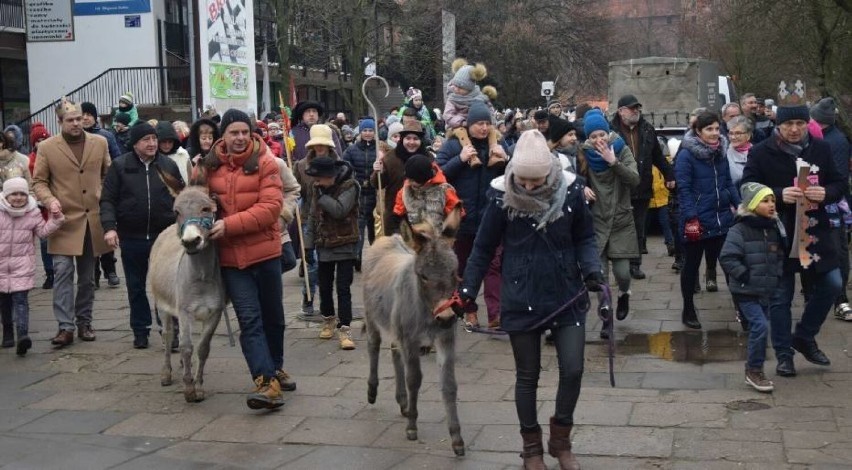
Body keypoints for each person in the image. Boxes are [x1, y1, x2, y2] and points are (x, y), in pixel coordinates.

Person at [458, 130, 602, 470]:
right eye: (522, 180)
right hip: (521, 295)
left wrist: (592, 270)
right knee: (528, 375)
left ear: (550, 174)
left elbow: (585, 238)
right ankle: (532, 448)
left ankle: (561, 440)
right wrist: (467, 292)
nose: (529, 187)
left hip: (567, 292)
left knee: (574, 368)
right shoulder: (500, 198)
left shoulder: (572, 193)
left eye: (536, 181)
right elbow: (482, 248)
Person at [742, 105, 846, 377]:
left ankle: (804, 335)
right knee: (780, 298)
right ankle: (783, 356)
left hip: (814, 231)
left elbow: (839, 183)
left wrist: (827, 192)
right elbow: (747, 187)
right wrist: (775, 194)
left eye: (800, 123)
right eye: (789, 124)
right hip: (778, 233)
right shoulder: (761, 151)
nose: (794, 129)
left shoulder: (820, 149)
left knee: (833, 284)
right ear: (779, 124)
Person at [201, 109, 293, 409]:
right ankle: (266, 382)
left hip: (266, 253)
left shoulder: (266, 163)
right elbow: (196, 198)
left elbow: (270, 208)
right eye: (233, 132)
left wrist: (228, 224)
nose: (239, 138)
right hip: (230, 259)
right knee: (249, 320)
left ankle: (275, 366)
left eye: (244, 132)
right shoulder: (208, 166)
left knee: (273, 318)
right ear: (223, 136)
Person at [32, 98, 112, 346]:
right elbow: (38, 182)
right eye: (71, 120)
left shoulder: (100, 143)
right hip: (63, 221)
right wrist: (49, 200)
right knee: (63, 273)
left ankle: (84, 322)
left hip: (91, 221)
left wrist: (105, 199)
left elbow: (108, 175)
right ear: (60, 122)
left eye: (80, 118)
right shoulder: (47, 147)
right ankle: (65, 326)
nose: (77, 123)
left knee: (88, 278)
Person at [99, 122, 185, 349]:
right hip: (132, 236)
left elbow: (181, 196)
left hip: (163, 236)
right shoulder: (120, 166)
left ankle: (169, 329)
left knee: (167, 285)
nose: (152, 143)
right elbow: (108, 199)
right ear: (135, 143)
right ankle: (140, 329)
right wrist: (109, 227)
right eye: (146, 139)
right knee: (136, 286)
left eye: (154, 139)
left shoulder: (168, 165)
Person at [437, 102, 510, 328]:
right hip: (463, 218)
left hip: (491, 217)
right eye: (479, 123)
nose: (484, 128)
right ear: (469, 125)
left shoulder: (498, 143)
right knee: (463, 267)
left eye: (487, 123)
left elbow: (514, 175)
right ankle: (469, 310)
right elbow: (438, 173)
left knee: (493, 266)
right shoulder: (452, 144)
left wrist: (506, 160)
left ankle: (495, 314)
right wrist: (460, 159)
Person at [576, 109, 640, 337]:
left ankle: (624, 294)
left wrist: (613, 162)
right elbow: (572, 178)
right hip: (596, 222)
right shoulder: (582, 154)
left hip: (621, 220)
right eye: (593, 137)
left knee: (623, 272)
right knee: (599, 276)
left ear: (608, 132)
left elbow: (635, 180)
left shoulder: (621, 149)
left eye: (601, 134)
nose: (598, 140)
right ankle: (606, 319)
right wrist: (580, 188)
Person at [675, 111, 740, 329]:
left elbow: (727, 183)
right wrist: (692, 217)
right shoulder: (686, 155)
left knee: (730, 264)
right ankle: (688, 309)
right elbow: (683, 189)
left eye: (716, 128)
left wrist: (739, 205)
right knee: (691, 266)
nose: (714, 133)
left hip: (721, 218)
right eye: (708, 129)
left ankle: (742, 308)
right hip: (697, 220)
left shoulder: (721, 152)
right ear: (698, 131)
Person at [719, 182, 785, 393]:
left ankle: (754, 368)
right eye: (765, 201)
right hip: (745, 290)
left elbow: (778, 255)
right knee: (761, 327)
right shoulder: (739, 229)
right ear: (753, 204)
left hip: (765, 289)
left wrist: (778, 273)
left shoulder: (774, 227)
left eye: (773, 200)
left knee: (760, 327)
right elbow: (727, 257)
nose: (771, 204)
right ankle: (754, 370)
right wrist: (744, 275)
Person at [610, 94, 675, 280]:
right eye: (632, 108)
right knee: (621, 228)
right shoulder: (610, 130)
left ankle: (635, 264)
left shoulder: (647, 129)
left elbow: (658, 156)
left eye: (637, 108)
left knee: (639, 227)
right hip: (620, 189)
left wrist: (670, 174)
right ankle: (621, 263)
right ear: (621, 111)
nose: (636, 111)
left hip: (642, 187)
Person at [0, 177, 64, 354]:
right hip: (1, 265)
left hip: (22, 265)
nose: (18, 198)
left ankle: (22, 335)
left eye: (22, 193)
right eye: (14, 194)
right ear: (6, 196)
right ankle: (7, 332)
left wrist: (56, 219)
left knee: (21, 301)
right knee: (4, 302)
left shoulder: (32, 212)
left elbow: (43, 232)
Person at [303, 156, 359, 350]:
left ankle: (345, 327)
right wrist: (308, 245)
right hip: (324, 243)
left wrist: (322, 197)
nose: (315, 183)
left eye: (318, 179)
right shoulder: (316, 188)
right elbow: (311, 216)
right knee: (324, 286)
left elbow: (340, 210)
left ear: (329, 176)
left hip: (345, 243)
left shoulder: (350, 186)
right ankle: (328, 319)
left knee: (343, 288)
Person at [810, 98, 852, 321]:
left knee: (837, 251)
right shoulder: (824, 138)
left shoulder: (833, 142)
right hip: (825, 203)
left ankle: (840, 299)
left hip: (832, 207)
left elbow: (837, 179)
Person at [294, 124, 340, 319]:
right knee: (310, 262)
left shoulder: (340, 166)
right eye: (317, 145)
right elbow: (295, 190)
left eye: (323, 145)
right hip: (309, 219)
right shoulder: (301, 166)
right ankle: (309, 296)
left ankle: (327, 301)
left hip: (333, 220)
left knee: (328, 264)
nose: (320, 148)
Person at [371, 121, 433, 235]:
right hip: (395, 217)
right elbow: (377, 183)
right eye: (408, 138)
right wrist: (378, 172)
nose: (411, 142)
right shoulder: (390, 158)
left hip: (422, 216)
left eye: (415, 139)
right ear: (402, 139)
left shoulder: (428, 158)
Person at [441, 59, 503, 162]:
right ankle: (472, 156)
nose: (456, 89)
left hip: (478, 124)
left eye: (460, 87)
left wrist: (490, 122)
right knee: (461, 132)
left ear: (469, 88)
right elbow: (448, 115)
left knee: (492, 130)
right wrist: (463, 122)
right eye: (455, 86)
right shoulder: (452, 99)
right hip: (459, 125)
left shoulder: (480, 97)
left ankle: (494, 154)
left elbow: (490, 110)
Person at [342, 117, 379, 271]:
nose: (368, 133)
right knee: (358, 229)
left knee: (374, 230)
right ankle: (356, 257)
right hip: (358, 195)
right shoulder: (352, 150)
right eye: (365, 130)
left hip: (375, 194)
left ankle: (377, 259)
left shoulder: (379, 150)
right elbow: (345, 168)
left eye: (370, 130)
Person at [392, 154, 464, 231]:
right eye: (408, 178)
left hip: (438, 238)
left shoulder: (444, 190)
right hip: (414, 238)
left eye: (412, 180)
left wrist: (447, 234)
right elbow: (398, 215)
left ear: (423, 178)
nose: (409, 182)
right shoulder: (405, 191)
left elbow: (457, 215)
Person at [27, 123, 54, 289]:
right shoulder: (30, 160)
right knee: (44, 242)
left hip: (54, 203)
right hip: (39, 206)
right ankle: (50, 272)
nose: (41, 142)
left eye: (44, 138)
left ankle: (58, 271)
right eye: (38, 140)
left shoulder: (53, 156)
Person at [726, 116, 754, 191]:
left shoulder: (758, 153)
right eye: (731, 133)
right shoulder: (725, 156)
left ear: (748, 135)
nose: (733, 137)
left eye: (738, 133)